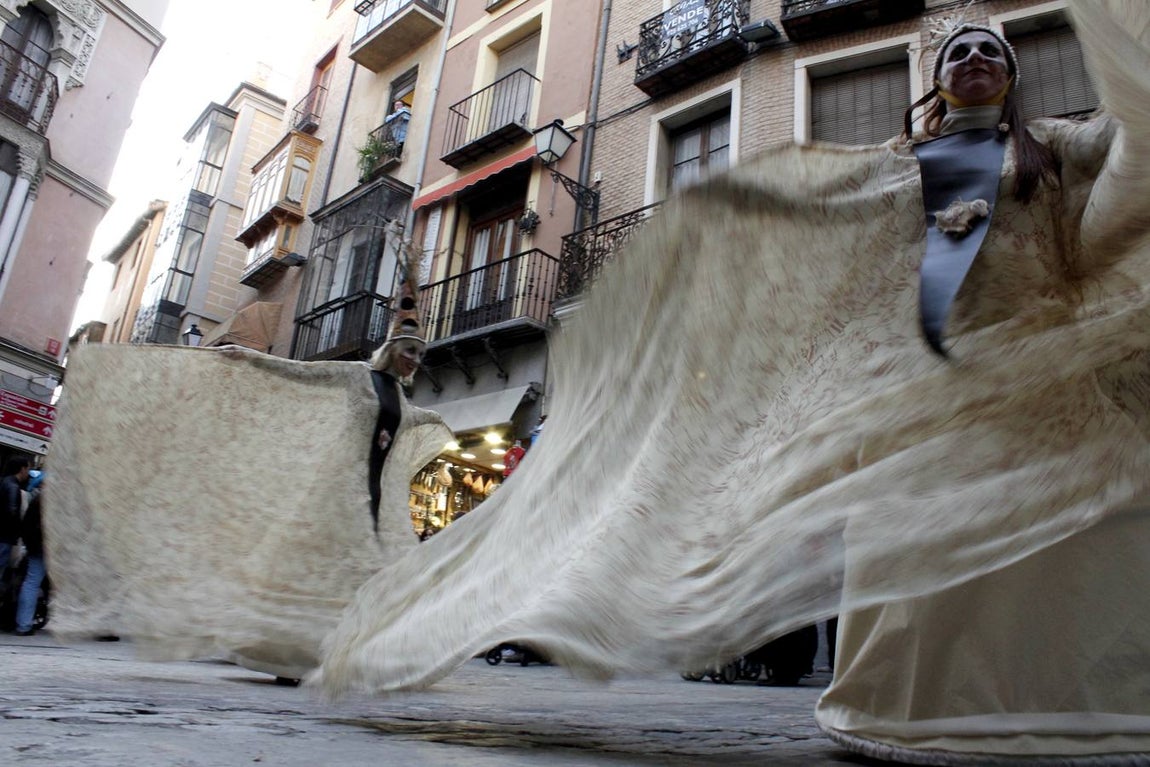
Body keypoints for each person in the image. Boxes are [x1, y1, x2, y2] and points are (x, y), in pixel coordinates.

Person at [315, 2, 1150, 763]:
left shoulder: (1055, 151)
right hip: (923, 384)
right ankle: (924, 710)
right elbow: (815, 232)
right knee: (924, 543)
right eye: (958, 49)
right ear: (935, 80)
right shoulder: (897, 162)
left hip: (1033, 376)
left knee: (1064, 535)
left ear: (1010, 73)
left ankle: (1054, 709)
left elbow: (1131, 158)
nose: (973, 57)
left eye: (989, 50)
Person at [46, 249, 450, 681]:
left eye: (419, 356)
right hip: (340, 496)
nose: (414, 361)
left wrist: (438, 420)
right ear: (392, 349)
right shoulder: (356, 377)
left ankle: (364, 654)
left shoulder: (402, 400)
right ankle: (293, 657)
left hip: (377, 500)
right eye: (409, 351)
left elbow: (410, 422)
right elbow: (299, 373)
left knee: (376, 573)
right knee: (330, 574)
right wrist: (250, 357)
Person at [14, 470, 44, 636]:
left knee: (31, 582)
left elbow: (26, 524)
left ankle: (23, 624)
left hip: (36, 547)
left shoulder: (38, 500)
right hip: (54, 550)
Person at [0, 456, 30, 574]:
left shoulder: (4, 481)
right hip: (5, 535)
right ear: (22, 469)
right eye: (28, 469)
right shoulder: (13, 487)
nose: (28, 473)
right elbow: (12, 512)